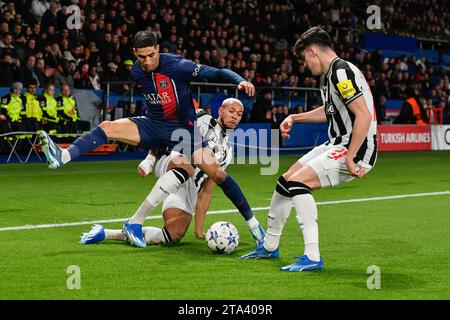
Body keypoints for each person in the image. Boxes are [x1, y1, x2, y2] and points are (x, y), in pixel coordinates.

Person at [38, 30, 265, 249]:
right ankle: (64, 156)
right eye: (141, 57)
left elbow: (215, 72)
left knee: (186, 217)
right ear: (134, 53)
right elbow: (155, 104)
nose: (146, 62)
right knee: (107, 127)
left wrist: (239, 80)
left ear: (158, 49)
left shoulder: (177, 66)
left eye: (151, 55)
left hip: (182, 132)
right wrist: (149, 158)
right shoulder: (137, 72)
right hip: (154, 126)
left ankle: (254, 226)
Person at [241, 27, 377, 272]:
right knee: (285, 182)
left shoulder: (341, 72)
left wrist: (350, 155)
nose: (304, 65)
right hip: (338, 142)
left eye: (304, 58)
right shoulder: (330, 75)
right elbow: (329, 111)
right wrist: (295, 117)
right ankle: (270, 246)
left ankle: (312, 256)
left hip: (356, 147)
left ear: (313, 51)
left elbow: (364, 116)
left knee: (298, 183)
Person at [79, 99, 243, 245]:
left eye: (239, 114)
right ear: (220, 111)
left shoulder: (228, 152)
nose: (235, 116)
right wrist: (150, 159)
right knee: (188, 165)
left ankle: (106, 234)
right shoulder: (200, 118)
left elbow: (206, 192)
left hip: (189, 189)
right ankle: (136, 220)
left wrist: (199, 229)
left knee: (173, 235)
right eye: (231, 111)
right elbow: (163, 131)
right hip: (173, 159)